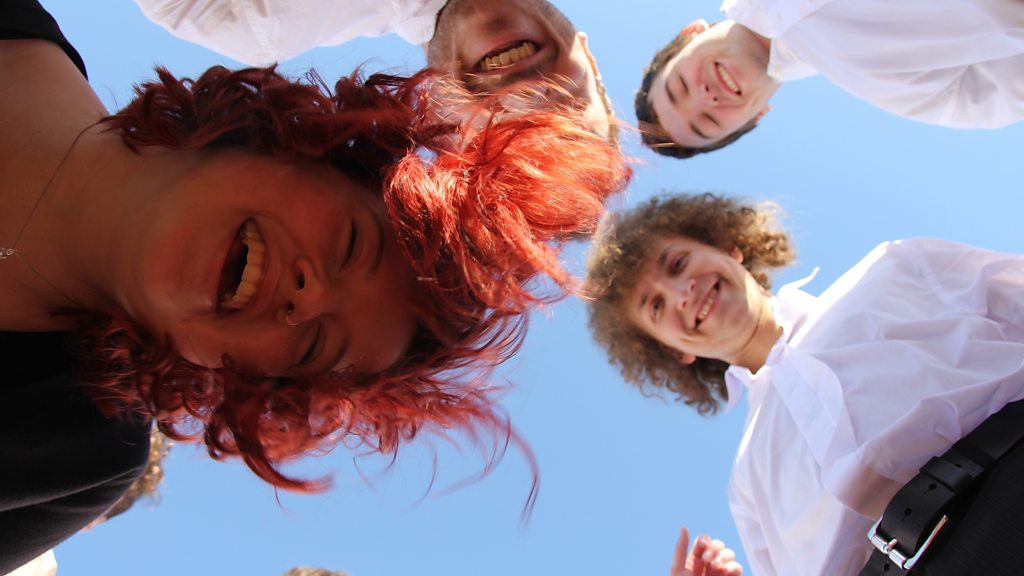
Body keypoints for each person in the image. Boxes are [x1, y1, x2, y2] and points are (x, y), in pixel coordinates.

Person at [0, 1, 630, 570]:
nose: (311, 299)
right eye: (351, 244)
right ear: (296, 143)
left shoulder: (79, 463)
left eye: (313, 349)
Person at [585, 193, 1024, 575]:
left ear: (728, 247)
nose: (683, 292)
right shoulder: (745, 485)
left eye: (678, 263)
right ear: (672, 352)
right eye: (656, 306)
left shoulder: (895, 268)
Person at [132, 0, 616, 141]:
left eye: (512, 133)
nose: (527, 94)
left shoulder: (252, 16)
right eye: (568, 109)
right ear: (589, 58)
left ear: (444, 122)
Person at [635, 0, 1024, 158]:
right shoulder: (892, 86)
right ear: (756, 117)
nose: (704, 97)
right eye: (708, 122)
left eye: (680, 86)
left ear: (691, 33)